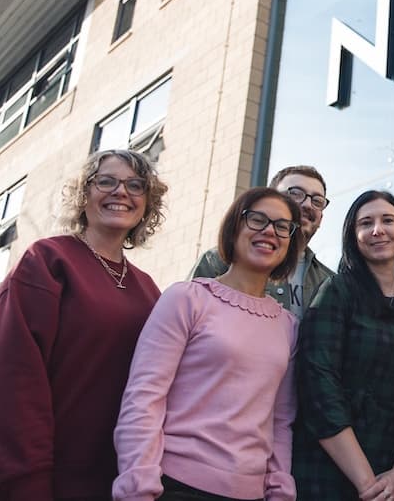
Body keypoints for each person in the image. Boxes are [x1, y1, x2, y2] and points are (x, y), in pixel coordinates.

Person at [0, 149, 167, 501]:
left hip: (99, 478)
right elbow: (11, 378)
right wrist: (30, 481)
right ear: (84, 195)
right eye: (106, 181)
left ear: (147, 203)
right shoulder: (47, 261)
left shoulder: (148, 290)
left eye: (135, 185)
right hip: (17, 478)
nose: (121, 192)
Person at [114, 187, 302, 500]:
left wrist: (280, 491)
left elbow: (281, 422)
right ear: (234, 227)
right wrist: (138, 486)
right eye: (257, 219)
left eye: (282, 226)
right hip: (174, 486)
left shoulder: (288, 326)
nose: (270, 230)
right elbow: (144, 397)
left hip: (251, 493)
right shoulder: (186, 299)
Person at [294, 191, 394, 501]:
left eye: (387, 220)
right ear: (353, 235)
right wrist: (367, 483)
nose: (377, 230)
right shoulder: (337, 291)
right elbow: (318, 386)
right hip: (327, 471)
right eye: (366, 223)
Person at [191, 165, 334, 318]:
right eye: (296, 194)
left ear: (321, 218)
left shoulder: (329, 282)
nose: (307, 204)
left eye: (317, 201)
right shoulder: (217, 261)